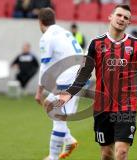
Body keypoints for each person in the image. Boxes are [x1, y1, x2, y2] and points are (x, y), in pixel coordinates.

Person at [48, 4, 137, 160]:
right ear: (110, 17)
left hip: (126, 107)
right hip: (101, 107)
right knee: (106, 154)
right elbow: (84, 73)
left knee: (121, 152)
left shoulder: (136, 45)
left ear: (128, 23)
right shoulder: (96, 44)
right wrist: (69, 93)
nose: (122, 19)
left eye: (126, 18)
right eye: (119, 15)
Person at [34, 8, 83, 160]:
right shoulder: (64, 32)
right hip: (78, 75)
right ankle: (69, 140)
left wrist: (39, 90)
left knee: (58, 117)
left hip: (70, 79)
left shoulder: (47, 37)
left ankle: (53, 157)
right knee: (49, 104)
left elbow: (44, 66)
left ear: (40, 22)